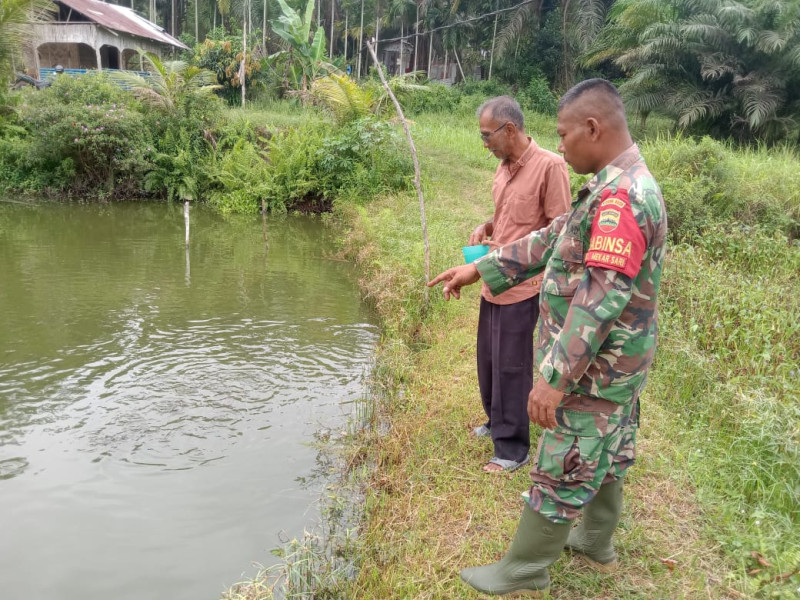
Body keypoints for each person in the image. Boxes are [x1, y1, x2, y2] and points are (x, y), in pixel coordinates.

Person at [428, 78, 667, 596]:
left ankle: (525, 568)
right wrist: (482, 269)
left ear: (593, 127)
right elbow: (552, 238)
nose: (558, 144)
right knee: (610, 447)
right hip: (620, 367)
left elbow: (599, 300)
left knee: (567, 458)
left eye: (563, 134)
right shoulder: (613, 186)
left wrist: (554, 378)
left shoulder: (621, 200)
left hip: (597, 368)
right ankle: (597, 540)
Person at [469, 96, 571, 473]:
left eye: (487, 135)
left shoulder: (551, 167)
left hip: (523, 285)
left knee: (512, 366)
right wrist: (488, 227)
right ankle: (495, 421)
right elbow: (509, 216)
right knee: (489, 360)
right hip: (492, 277)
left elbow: (559, 229)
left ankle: (512, 449)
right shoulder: (504, 166)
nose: (485, 144)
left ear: (509, 129)